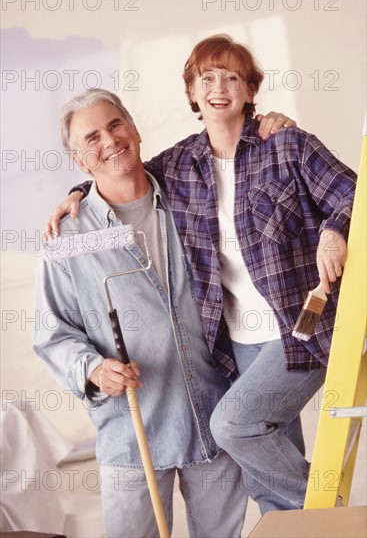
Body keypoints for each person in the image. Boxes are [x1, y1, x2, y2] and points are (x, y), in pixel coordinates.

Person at [43, 34, 357, 514]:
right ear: (191, 92)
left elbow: (355, 194)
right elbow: (121, 169)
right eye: (205, 78)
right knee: (266, 468)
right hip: (238, 343)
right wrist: (77, 193)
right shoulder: (181, 165)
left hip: (302, 327)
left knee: (235, 426)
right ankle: (299, 520)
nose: (218, 88)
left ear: (250, 90)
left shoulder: (289, 144)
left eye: (231, 77)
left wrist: (334, 231)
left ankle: (323, 510)